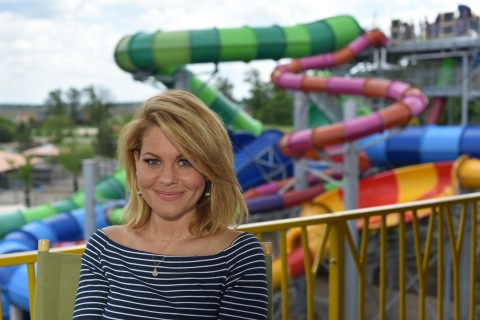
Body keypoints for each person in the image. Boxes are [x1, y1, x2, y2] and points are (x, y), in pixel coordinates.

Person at [73, 90, 268, 319]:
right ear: (136, 163)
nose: (167, 178)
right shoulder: (104, 247)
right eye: (153, 161)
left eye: (185, 162)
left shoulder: (238, 256)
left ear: (210, 168)